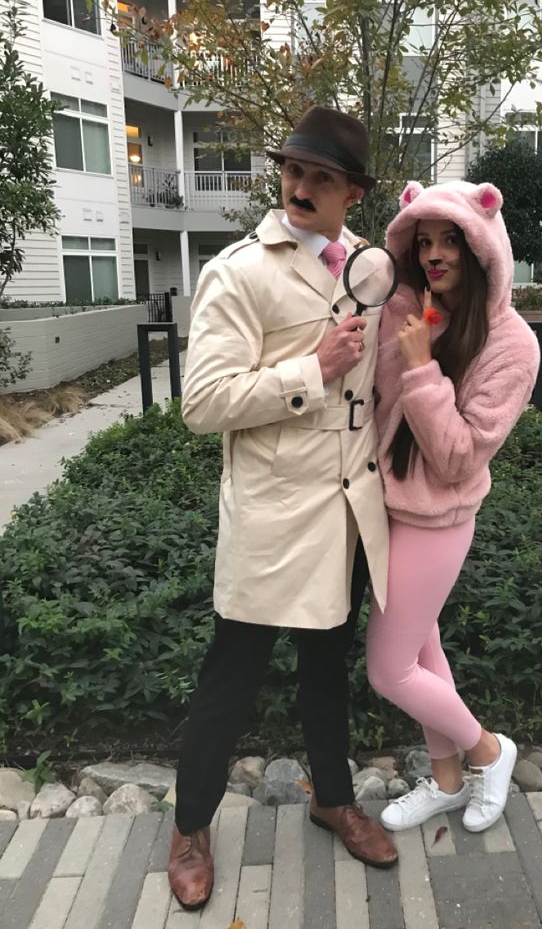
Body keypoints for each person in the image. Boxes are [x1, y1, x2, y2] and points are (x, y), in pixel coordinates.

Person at [168, 106, 398, 911]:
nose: (300, 188)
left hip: (345, 513)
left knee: (325, 675)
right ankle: (190, 825)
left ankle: (332, 798)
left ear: (352, 194)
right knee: (230, 678)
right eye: (293, 172)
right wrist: (312, 367)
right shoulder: (239, 271)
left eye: (321, 178)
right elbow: (202, 402)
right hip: (271, 517)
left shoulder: (372, 266)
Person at [366, 179, 540, 834]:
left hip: (436, 523)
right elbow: (382, 408)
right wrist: (400, 333)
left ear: (482, 245)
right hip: (388, 505)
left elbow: (460, 456)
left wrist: (420, 368)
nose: (435, 253)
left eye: (451, 240)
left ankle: (488, 751)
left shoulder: (512, 345)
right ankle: (444, 780)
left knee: (388, 668)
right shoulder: (421, 312)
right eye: (425, 241)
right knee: (423, 650)